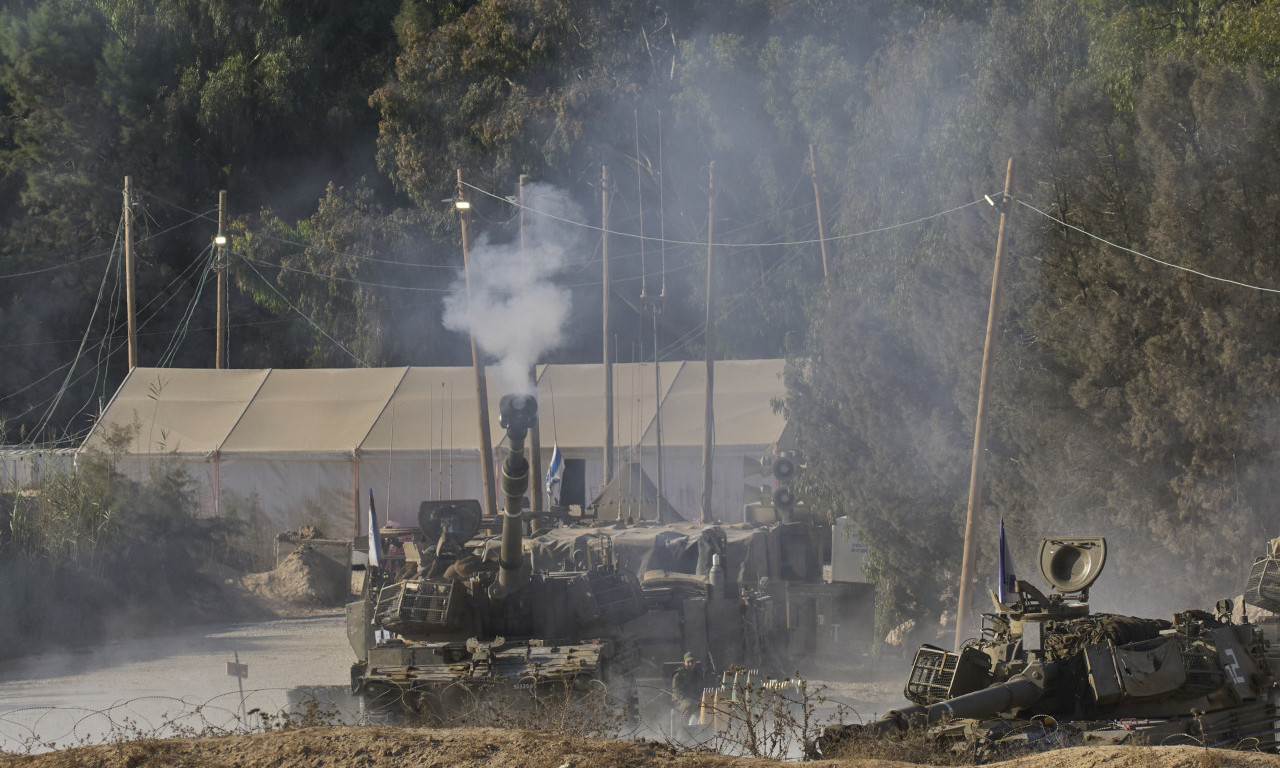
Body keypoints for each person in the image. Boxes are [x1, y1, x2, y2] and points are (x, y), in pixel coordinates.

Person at [671, 652, 705, 725]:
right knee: (689, 707)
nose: (690, 664)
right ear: (684, 662)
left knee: (704, 707)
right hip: (679, 701)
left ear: (695, 662)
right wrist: (689, 700)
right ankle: (685, 730)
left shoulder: (698, 673)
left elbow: (700, 689)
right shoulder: (678, 674)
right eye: (688, 662)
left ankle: (700, 729)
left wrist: (700, 699)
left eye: (692, 662)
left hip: (695, 699)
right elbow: (677, 692)